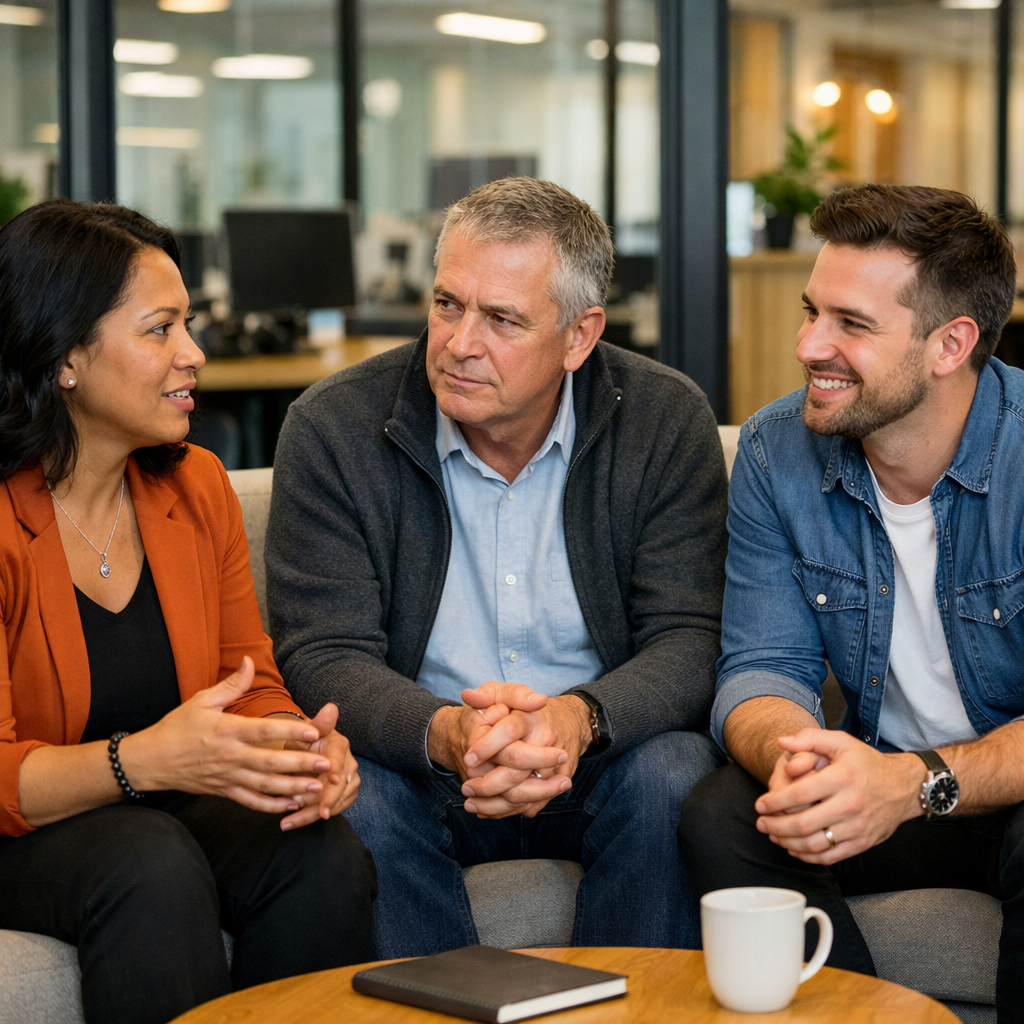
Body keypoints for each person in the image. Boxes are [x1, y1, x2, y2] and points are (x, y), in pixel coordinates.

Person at [266, 176, 728, 958]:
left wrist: (575, 720)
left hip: (599, 754)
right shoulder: (333, 426)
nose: (459, 343)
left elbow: (690, 636)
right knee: (352, 796)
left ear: (580, 336)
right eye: (448, 304)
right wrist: (448, 734)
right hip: (422, 760)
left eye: (503, 319)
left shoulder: (664, 418)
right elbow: (323, 653)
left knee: (676, 771)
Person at [0, 200, 376, 1024]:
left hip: (155, 804)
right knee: (148, 858)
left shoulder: (195, 485)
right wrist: (144, 761)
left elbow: (247, 681)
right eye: (159, 330)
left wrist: (300, 749)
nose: (194, 354)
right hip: (23, 826)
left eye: (189, 325)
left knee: (316, 848)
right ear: (65, 355)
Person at [677, 183, 1024, 1022]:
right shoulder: (774, 451)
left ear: (951, 344)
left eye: (850, 324)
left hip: (998, 792)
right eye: (811, 312)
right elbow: (761, 664)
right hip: (872, 789)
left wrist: (914, 783)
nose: (808, 345)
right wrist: (804, 761)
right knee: (725, 809)